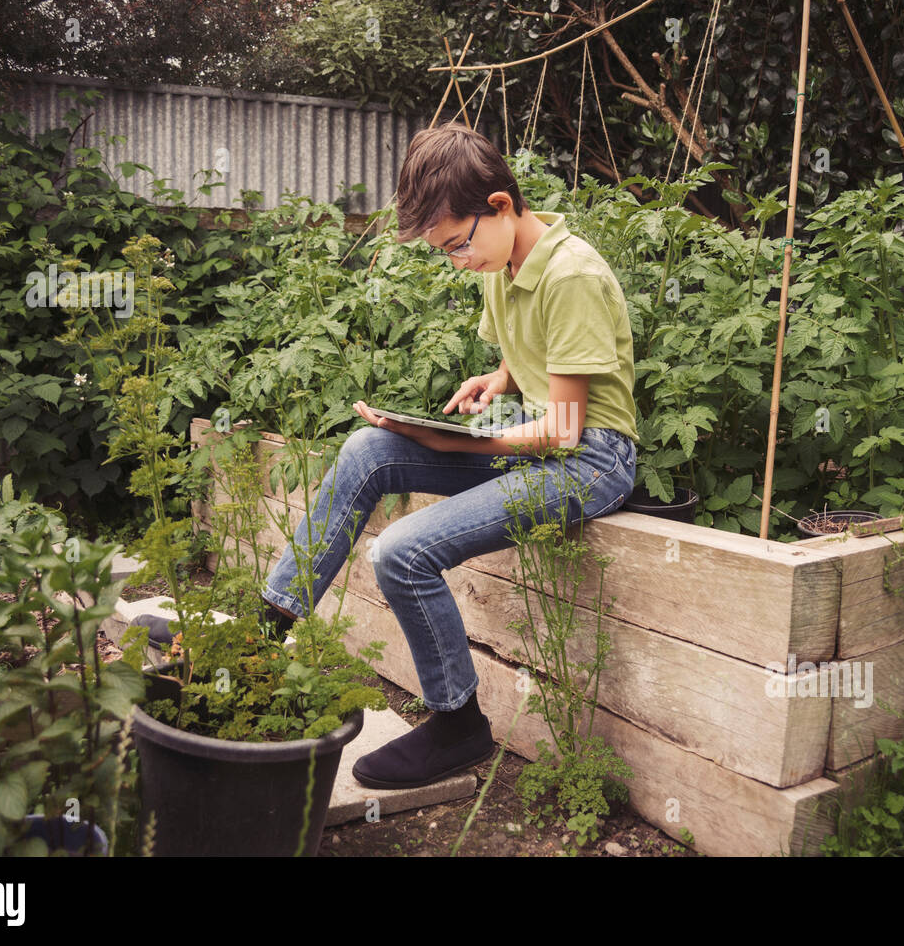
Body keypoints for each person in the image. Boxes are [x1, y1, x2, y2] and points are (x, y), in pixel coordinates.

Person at [260, 120, 640, 789]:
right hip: (536, 431)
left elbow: (568, 427)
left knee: (401, 551)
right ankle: (265, 629)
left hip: (590, 459)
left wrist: (451, 439)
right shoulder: (504, 259)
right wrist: (499, 378)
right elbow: (532, 350)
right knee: (368, 448)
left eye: (456, 245)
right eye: (444, 252)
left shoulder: (572, 271)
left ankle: (458, 723)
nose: (456, 261)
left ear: (500, 205)